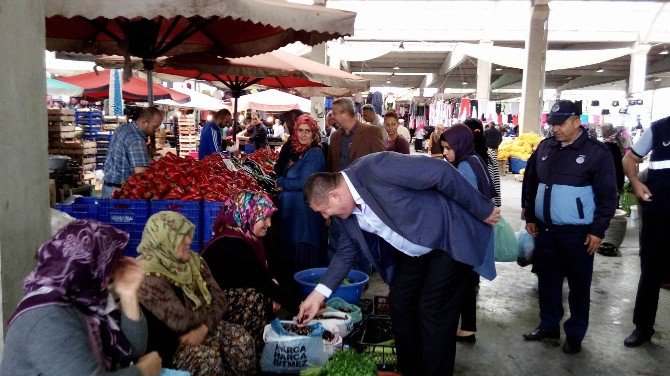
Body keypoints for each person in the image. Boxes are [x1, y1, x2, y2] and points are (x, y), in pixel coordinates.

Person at [298, 152, 501, 376]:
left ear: (335, 195)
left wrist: (482, 209)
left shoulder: (375, 168)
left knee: (433, 311)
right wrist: (317, 296)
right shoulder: (346, 215)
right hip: (415, 249)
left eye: (323, 210)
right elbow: (345, 253)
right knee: (400, 303)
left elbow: (441, 172)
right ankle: (411, 370)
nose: (325, 216)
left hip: (448, 238)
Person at [1, 221, 162, 376]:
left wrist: (128, 295)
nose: (111, 274)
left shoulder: (87, 302)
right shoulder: (47, 318)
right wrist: (143, 372)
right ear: (89, 267)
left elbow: (132, 349)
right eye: (108, 265)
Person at [523, 100, 616, 354]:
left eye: (561, 123)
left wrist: (598, 230)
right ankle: (548, 325)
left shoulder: (596, 152)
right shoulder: (545, 147)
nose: (556, 129)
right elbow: (531, 182)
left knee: (578, 285)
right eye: (552, 124)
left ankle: (574, 334)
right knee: (548, 281)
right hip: (546, 230)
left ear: (577, 121)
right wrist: (531, 215)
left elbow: (608, 195)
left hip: (579, 233)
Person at [137, 211, 256, 375]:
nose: (188, 240)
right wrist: (208, 317)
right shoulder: (147, 275)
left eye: (188, 234)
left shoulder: (195, 261)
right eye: (181, 236)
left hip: (203, 328)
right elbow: (179, 320)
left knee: (241, 340)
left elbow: (221, 300)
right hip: (169, 345)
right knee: (207, 358)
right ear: (163, 239)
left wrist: (204, 327)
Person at [201, 192, 302, 352]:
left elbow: (260, 276)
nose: (269, 224)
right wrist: (300, 307)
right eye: (264, 218)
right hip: (210, 308)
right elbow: (262, 282)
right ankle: (248, 351)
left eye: (269, 217)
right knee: (256, 299)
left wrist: (273, 286)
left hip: (224, 296)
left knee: (265, 294)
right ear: (247, 215)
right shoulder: (233, 245)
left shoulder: (243, 237)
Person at [441, 124, 497, 343]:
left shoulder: (464, 166)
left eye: (448, 148)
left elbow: (468, 202)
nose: (445, 153)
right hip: (478, 231)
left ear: (460, 145)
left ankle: (464, 328)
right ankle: (468, 327)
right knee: (468, 281)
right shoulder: (475, 159)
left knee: (461, 283)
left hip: (469, 233)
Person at [621, 115, 670, 347]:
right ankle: (642, 327)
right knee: (650, 271)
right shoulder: (659, 129)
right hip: (660, 215)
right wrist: (636, 183)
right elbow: (630, 158)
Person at [327, 97, 385, 273]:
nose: (332, 116)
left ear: (345, 113)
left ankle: (360, 276)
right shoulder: (335, 136)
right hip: (339, 197)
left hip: (362, 198)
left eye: (335, 113)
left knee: (361, 239)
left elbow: (381, 163)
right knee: (337, 238)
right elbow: (331, 166)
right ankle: (337, 276)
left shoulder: (371, 132)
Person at [274, 114, 327, 289]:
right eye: (300, 131)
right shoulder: (297, 152)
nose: (304, 135)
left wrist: (281, 183)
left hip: (304, 216)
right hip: (293, 214)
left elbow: (303, 183)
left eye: (308, 131)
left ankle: (304, 296)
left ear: (314, 133)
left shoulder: (314, 154)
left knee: (303, 258)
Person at [103, 106, 163, 198]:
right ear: (144, 122)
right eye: (155, 126)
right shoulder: (137, 140)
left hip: (108, 187)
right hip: (121, 192)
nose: (156, 130)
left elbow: (124, 154)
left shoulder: (122, 128)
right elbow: (140, 174)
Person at [464, 118, 502, 206]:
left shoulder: (464, 155)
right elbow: (495, 181)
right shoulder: (490, 153)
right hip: (488, 205)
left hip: (469, 205)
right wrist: (497, 203)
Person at [600, 123, 625, 195]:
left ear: (606, 131)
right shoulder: (616, 139)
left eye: (602, 130)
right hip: (618, 168)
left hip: (613, 171)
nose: (601, 132)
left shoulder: (609, 143)